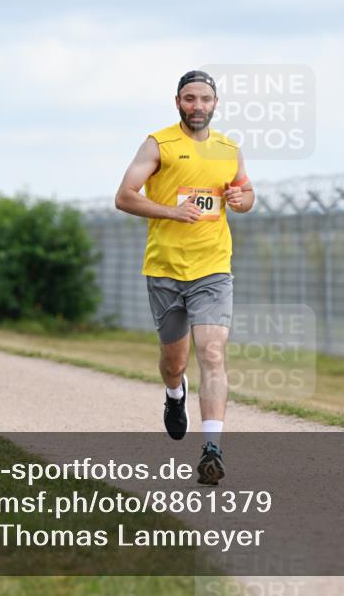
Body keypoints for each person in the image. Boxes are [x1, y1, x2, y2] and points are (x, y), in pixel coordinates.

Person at [115, 70, 254, 486]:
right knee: (174, 362)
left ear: (216, 103)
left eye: (205, 99)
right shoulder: (158, 143)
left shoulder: (229, 148)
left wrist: (239, 198)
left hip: (213, 268)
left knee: (212, 353)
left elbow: (247, 196)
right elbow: (124, 196)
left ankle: (213, 447)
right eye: (190, 98)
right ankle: (175, 394)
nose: (198, 106)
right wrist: (171, 211)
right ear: (178, 102)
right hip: (165, 270)